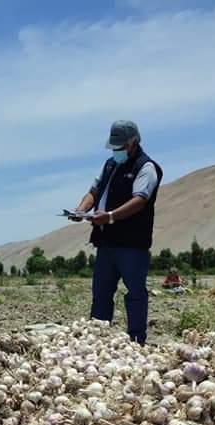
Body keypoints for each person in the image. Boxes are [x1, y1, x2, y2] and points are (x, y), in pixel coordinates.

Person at [70, 121, 163, 344]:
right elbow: (94, 190)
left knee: (135, 293)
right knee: (101, 294)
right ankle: (98, 338)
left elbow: (140, 200)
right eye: (114, 147)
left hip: (131, 245)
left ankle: (136, 340)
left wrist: (110, 217)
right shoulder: (110, 165)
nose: (116, 152)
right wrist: (82, 210)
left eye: (119, 147)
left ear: (133, 143)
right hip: (106, 243)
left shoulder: (146, 167)